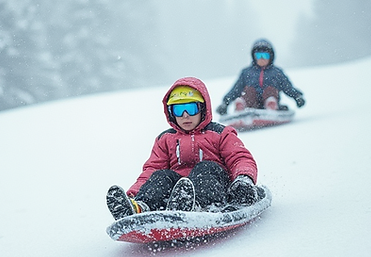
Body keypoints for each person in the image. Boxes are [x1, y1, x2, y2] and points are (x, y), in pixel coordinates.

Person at [106, 77, 259, 219]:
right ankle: (140, 208)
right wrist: (133, 195)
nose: (185, 115)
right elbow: (150, 171)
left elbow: (240, 158)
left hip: (216, 187)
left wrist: (244, 179)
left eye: (191, 109)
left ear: (203, 108)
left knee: (206, 168)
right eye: (179, 110)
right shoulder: (165, 139)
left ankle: (196, 206)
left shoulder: (220, 133)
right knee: (162, 177)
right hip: (177, 193)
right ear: (171, 113)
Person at [216, 39, 305, 115]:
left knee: (270, 90)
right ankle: (241, 106)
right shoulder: (247, 72)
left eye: (265, 56)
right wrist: (225, 103)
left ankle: (271, 104)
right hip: (252, 104)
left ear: (271, 57)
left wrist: (297, 97)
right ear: (254, 57)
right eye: (259, 56)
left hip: (271, 101)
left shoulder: (277, 72)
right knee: (248, 90)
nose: (262, 59)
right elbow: (236, 89)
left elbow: (287, 87)